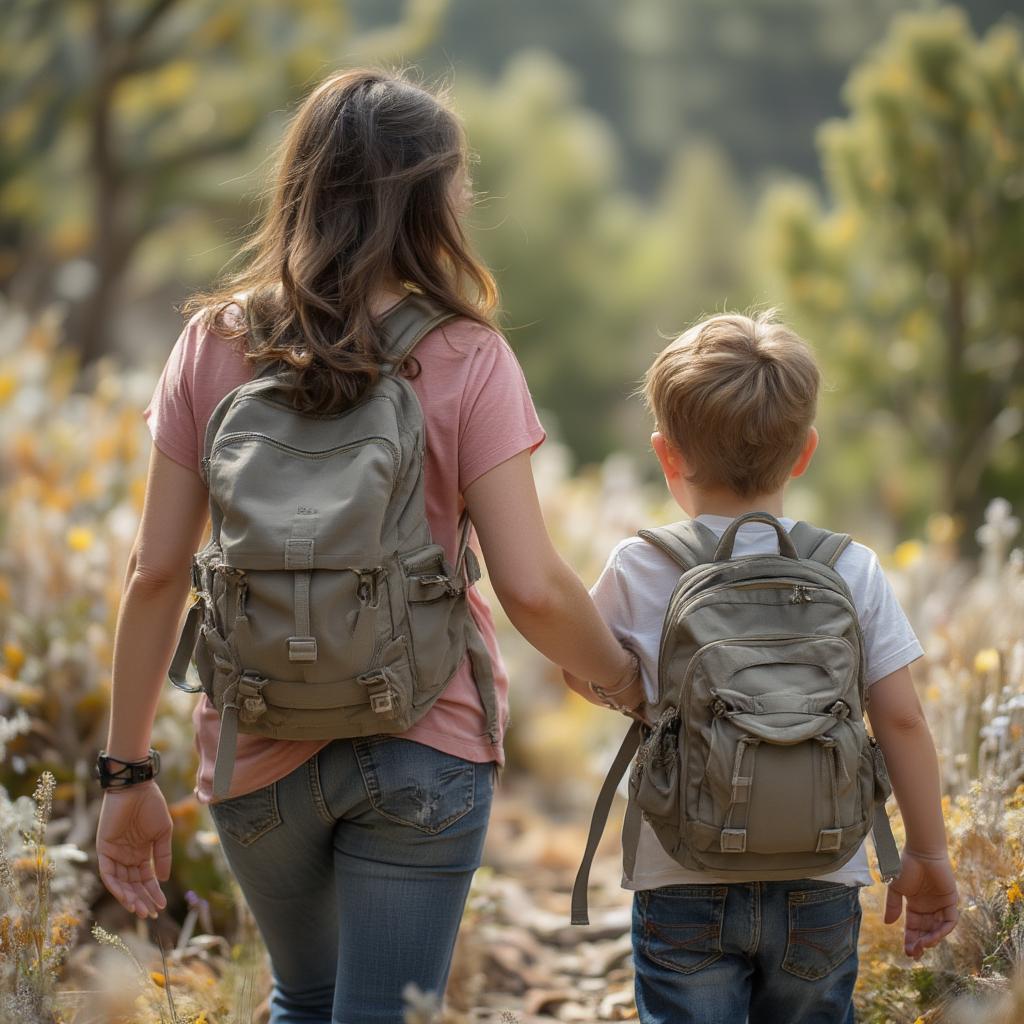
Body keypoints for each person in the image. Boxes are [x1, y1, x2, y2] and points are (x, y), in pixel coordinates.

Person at [94, 68, 643, 1024]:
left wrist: (125, 773)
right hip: (422, 738)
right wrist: (624, 680)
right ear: (431, 198)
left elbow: (155, 574)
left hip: (256, 747)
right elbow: (534, 587)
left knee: (303, 1000)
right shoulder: (470, 356)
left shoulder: (211, 343)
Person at [566, 311, 958, 1023]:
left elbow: (578, 668)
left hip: (679, 871)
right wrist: (927, 853)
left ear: (666, 454)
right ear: (804, 453)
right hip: (821, 872)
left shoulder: (642, 564)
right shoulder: (850, 567)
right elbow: (901, 717)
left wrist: (624, 683)